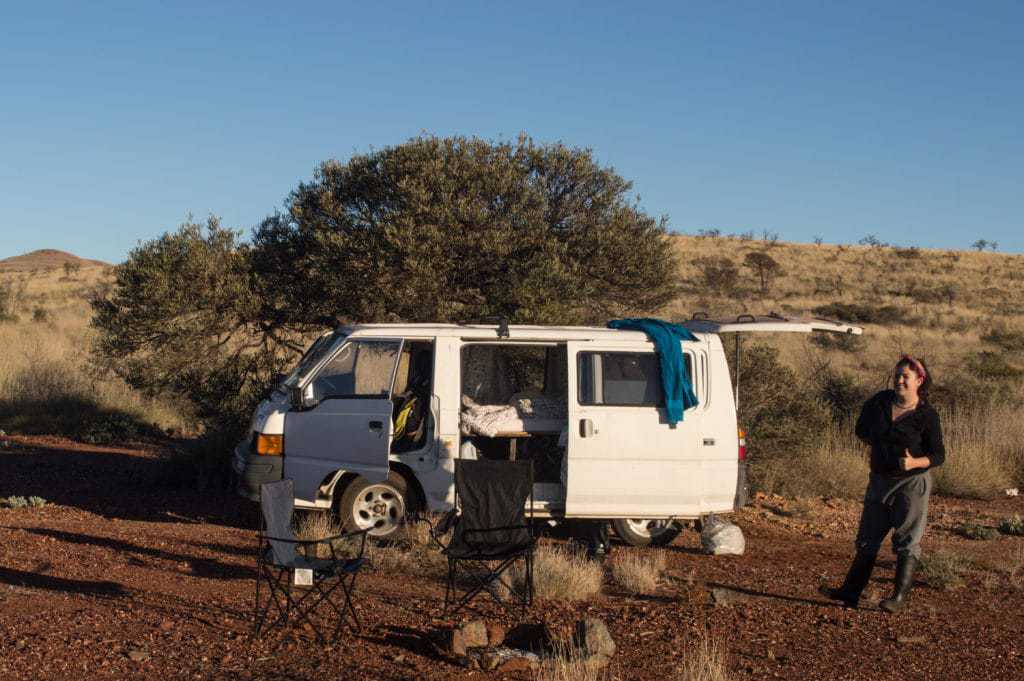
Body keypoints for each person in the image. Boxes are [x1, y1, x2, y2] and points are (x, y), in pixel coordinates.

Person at [821, 355, 945, 612]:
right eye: (897, 375)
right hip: (878, 480)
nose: (899, 380)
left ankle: (898, 599)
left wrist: (915, 463)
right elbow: (861, 431)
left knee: (906, 540)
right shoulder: (879, 402)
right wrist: (880, 449)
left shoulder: (927, 415)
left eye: (905, 377)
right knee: (867, 538)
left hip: (911, 484)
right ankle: (850, 592)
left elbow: (938, 455)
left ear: (919, 381)